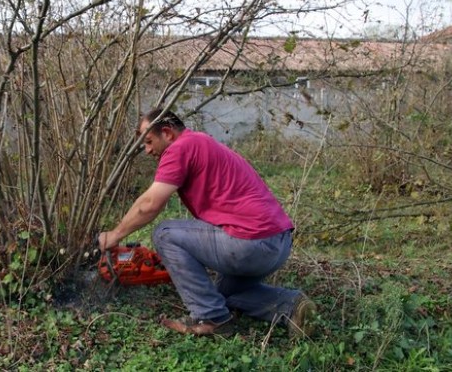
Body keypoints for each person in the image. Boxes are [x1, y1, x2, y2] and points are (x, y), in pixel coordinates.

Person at [98, 108, 316, 338]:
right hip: (277, 244)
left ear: (167, 133)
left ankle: (210, 318)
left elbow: (150, 204)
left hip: (250, 243)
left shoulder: (180, 148)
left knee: (164, 233)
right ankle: (291, 307)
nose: (148, 150)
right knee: (219, 295)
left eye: (149, 142)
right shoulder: (200, 142)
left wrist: (114, 235)